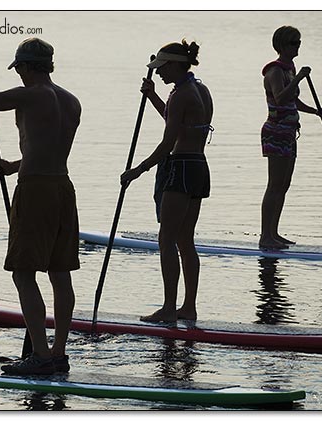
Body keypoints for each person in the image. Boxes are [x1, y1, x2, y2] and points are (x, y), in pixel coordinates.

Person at [0, 38, 81, 375]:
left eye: (20, 69)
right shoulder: (72, 101)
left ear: (26, 66)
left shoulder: (29, 94)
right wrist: (14, 165)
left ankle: (40, 357)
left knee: (23, 272)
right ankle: (58, 352)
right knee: (60, 273)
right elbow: (46, 145)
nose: (20, 75)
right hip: (62, 187)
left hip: (35, 192)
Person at [120, 40, 213, 323]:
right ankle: (188, 308)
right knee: (185, 240)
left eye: (162, 68)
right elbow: (178, 122)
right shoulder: (200, 89)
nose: (158, 74)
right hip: (198, 166)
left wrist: (138, 170)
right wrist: (153, 97)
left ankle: (169, 308)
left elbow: (168, 141)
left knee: (167, 239)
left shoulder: (180, 95)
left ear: (175, 64)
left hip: (180, 167)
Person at [259, 26, 322, 250]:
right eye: (294, 43)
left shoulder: (289, 69)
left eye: (299, 42)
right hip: (275, 132)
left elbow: (293, 101)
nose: (298, 46)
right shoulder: (276, 71)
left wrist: (315, 112)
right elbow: (280, 98)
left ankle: (274, 233)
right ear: (282, 45)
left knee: (284, 185)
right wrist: (298, 78)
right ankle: (265, 236)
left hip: (289, 132)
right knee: (274, 185)